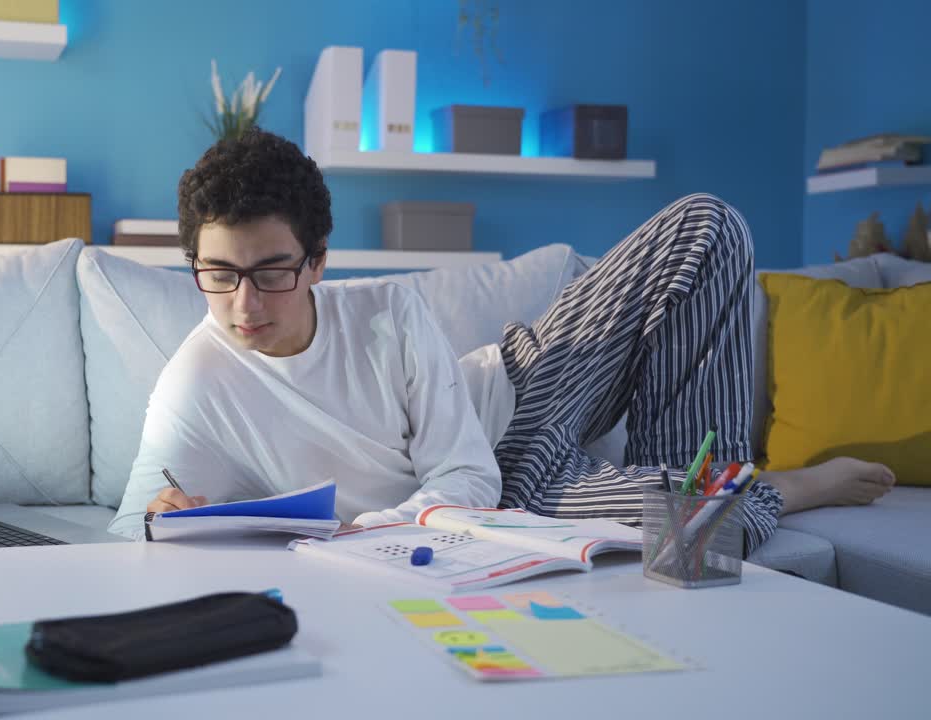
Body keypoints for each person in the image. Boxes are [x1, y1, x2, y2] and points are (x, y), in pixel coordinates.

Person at [108, 128, 895, 548]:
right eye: (216, 274)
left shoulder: (385, 313)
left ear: (317, 261)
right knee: (685, 532)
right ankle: (755, 495)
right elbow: (128, 525)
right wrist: (158, 514)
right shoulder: (197, 381)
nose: (243, 304)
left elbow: (464, 471)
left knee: (708, 226)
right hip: (505, 504)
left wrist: (364, 527)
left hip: (519, 394)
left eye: (270, 272)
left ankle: (710, 501)